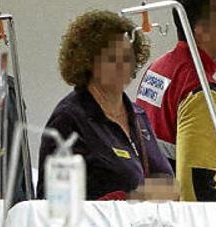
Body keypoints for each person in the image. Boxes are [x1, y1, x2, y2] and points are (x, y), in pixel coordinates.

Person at [40, 11, 174, 201]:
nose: (122, 66)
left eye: (128, 57)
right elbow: (53, 200)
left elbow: (166, 181)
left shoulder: (138, 115)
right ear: (87, 62)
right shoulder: (69, 120)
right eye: (112, 58)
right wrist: (130, 199)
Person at [135, 0, 216, 202]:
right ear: (202, 31)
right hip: (189, 221)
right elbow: (196, 186)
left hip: (156, 209)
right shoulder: (201, 91)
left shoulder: (157, 70)